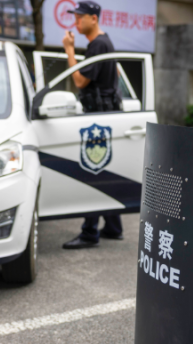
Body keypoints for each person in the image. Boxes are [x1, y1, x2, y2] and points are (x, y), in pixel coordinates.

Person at [61, 1, 123, 249]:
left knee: (94, 171)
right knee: (103, 169)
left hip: (99, 118)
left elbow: (79, 81)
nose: (76, 21)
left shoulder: (98, 44)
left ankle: (89, 233)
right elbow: (116, 73)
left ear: (93, 19)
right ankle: (113, 226)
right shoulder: (104, 41)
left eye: (80, 17)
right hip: (106, 115)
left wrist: (69, 50)